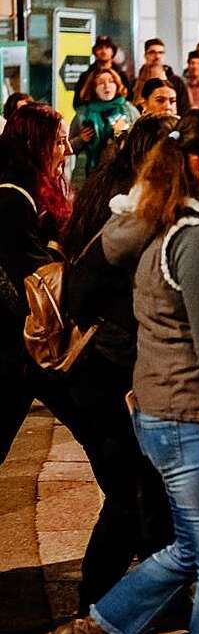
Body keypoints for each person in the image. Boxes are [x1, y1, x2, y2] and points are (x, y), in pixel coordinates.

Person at [43, 108, 199, 634]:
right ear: (197, 165)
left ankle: (89, 633)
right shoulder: (193, 235)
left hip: (171, 411)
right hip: (191, 418)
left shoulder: (166, 220)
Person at [62, 114, 179, 615]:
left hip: (111, 370)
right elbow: (80, 290)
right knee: (132, 495)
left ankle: (161, 599)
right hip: (106, 373)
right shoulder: (131, 217)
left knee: (150, 490)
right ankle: (91, 617)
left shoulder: (125, 202)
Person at [0, 103, 76, 463]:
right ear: (34, 145)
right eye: (60, 142)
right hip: (19, 344)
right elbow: (32, 276)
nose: (69, 150)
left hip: (25, 344)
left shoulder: (26, 194)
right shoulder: (12, 199)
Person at [70, 67, 139, 180]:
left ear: (117, 85)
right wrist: (81, 139)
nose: (107, 86)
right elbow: (67, 147)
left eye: (111, 81)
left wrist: (125, 137)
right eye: (101, 83)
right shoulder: (83, 113)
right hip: (90, 174)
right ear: (93, 88)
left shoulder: (128, 110)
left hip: (123, 172)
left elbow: (140, 141)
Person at [74, 36, 132, 109]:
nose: (103, 51)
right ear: (95, 52)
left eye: (107, 47)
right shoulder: (86, 76)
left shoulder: (121, 75)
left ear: (113, 52)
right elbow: (77, 102)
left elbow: (129, 99)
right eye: (100, 48)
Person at [138, 38, 191, 115]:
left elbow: (185, 110)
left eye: (161, 52)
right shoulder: (136, 83)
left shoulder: (176, 82)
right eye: (152, 52)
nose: (157, 56)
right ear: (145, 55)